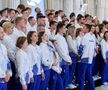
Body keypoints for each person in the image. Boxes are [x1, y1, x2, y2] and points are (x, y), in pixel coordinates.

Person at [78, 24, 96, 90]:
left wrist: (79, 56)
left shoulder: (85, 37)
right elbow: (94, 48)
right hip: (90, 59)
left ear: (87, 29)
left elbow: (81, 48)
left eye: (84, 27)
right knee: (89, 76)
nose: (82, 28)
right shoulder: (92, 37)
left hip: (84, 59)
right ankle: (92, 88)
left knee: (81, 76)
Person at [54, 22, 72, 90]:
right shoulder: (57, 38)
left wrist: (68, 58)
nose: (66, 29)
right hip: (62, 60)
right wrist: (68, 59)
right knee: (63, 78)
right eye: (64, 28)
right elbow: (60, 51)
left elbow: (65, 50)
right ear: (60, 29)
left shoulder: (62, 37)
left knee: (65, 78)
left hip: (65, 59)